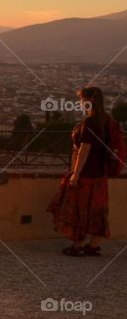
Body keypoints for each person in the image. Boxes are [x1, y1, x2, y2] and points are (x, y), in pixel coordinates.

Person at [48, 86, 111, 257]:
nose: (80, 103)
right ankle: (94, 245)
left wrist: (76, 174)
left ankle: (77, 245)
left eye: (82, 99)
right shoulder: (105, 119)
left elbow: (85, 148)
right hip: (100, 173)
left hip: (86, 173)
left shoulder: (89, 122)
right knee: (97, 209)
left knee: (79, 208)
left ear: (91, 100)